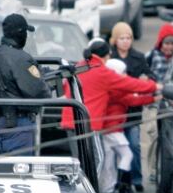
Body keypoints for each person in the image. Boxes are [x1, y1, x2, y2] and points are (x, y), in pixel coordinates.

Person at [61, 40, 159, 175]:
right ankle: (91, 191)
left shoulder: (79, 67)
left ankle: (79, 189)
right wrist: (154, 86)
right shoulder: (102, 72)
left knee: (79, 161)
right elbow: (130, 84)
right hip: (89, 124)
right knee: (97, 159)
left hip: (69, 121)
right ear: (106, 56)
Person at [0, 14, 51, 154]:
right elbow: (39, 92)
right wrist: (45, 82)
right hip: (19, 122)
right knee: (21, 170)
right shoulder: (22, 58)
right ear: (20, 33)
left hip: (2, 121)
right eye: (25, 32)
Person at [110, 22, 156, 193]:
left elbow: (149, 75)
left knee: (135, 145)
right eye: (122, 38)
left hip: (134, 109)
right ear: (115, 40)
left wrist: (147, 79)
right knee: (117, 149)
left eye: (128, 38)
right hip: (115, 112)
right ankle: (120, 181)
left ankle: (136, 179)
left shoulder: (139, 57)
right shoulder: (110, 57)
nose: (125, 41)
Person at [99, 59, 146, 193]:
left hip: (107, 128)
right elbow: (132, 100)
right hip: (112, 129)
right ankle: (121, 187)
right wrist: (153, 96)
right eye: (123, 71)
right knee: (127, 155)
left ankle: (110, 188)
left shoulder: (109, 88)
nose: (125, 74)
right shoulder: (115, 90)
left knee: (108, 161)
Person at [144, 24, 173, 182]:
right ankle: (153, 170)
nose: (169, 47)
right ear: (160, 43)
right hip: (154, 104)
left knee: (170, 138)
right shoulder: (151, 56)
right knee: (154, 135)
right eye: (166, 43)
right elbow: (142, 78)